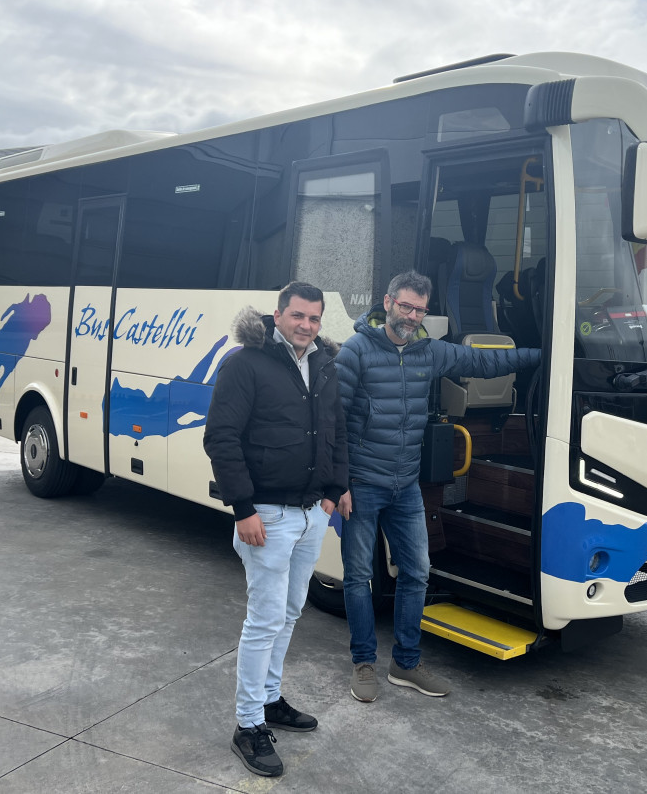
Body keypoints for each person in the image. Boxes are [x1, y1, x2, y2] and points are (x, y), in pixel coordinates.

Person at [335, 269, 540, 702]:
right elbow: (331, 420)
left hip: (405, 485)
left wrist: (541, 354)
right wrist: (337, 483)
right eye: (405, 305)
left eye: (420, 309)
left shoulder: (430, 352)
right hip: (363, 483)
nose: (411, 315)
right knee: (357, 578)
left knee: (417, 573)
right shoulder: (356, 351)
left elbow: (485, 362)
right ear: (387, 302)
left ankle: (406, 664)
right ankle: (364, 664)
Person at [203, 281, 350, 778]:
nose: (306, 325)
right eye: (298, 316)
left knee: (290, 610)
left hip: (311, 513)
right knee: (264, 619)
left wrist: (333, 491)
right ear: (278, 314)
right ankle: (248, 726)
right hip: (265, 514)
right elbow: (220, 436)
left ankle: (268, 699)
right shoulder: (246, 363)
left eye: (314, 318)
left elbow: (336, 430)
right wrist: (243, 508)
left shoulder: (323, 365)